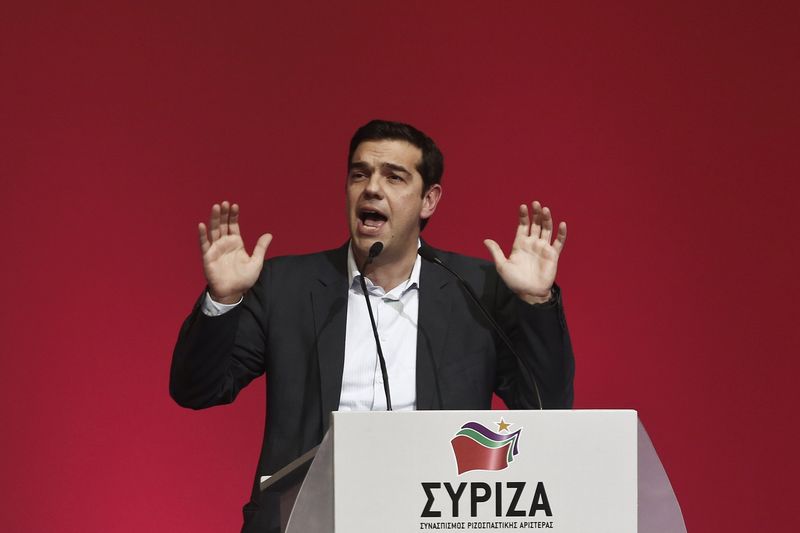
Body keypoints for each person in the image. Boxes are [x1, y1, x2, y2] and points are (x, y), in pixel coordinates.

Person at [170, 119, 574, 533]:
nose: (372, 188)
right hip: (306, 520)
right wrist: (223, 300)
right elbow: (197, 389)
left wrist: (534, 301)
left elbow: (546, 409)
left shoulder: (477, 291)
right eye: (359, 174)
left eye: (394, 177)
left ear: (429, 200)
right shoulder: (285, 287)